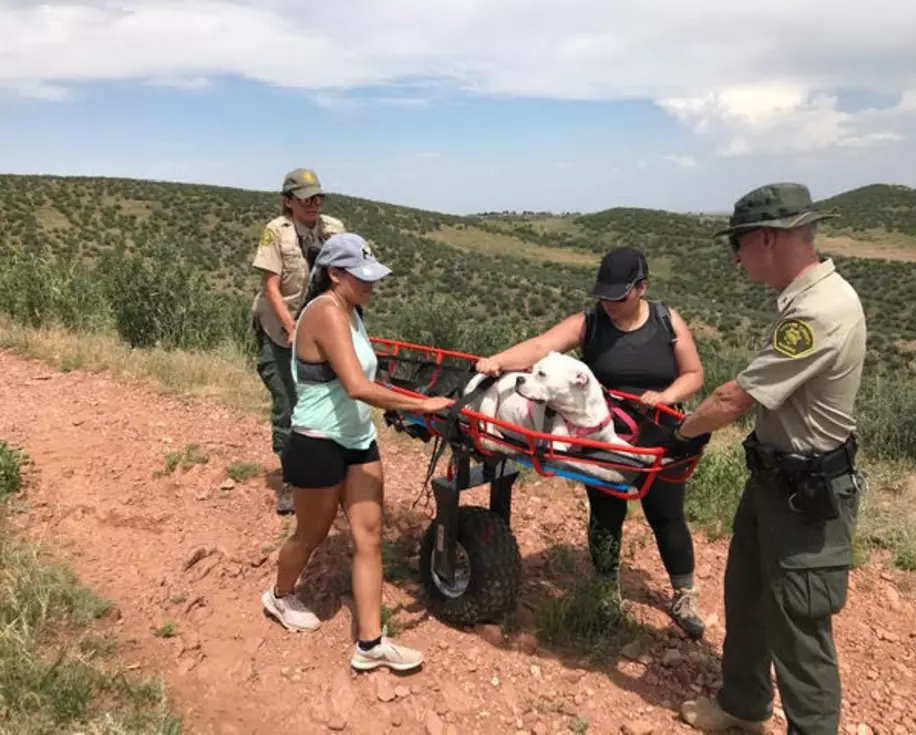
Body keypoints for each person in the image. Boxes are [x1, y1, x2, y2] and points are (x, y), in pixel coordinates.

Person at [676, 183, 867, 734]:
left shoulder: (817, 313)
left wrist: (682, 434)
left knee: (800, 629)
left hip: (804, 499)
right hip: (774, 482)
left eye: (738, 243)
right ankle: (742, 706)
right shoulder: (808, 301)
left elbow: (735, 397)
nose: (735, 256)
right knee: (749, 599)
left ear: (766, 238)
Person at [475, 245, 709, 639]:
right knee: (606, 511)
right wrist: (498, 360)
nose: (608, 303)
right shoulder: (591, 322)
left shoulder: (667, 321)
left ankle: (684, 592)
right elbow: (540, 346)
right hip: (600, 435)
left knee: (666, 515)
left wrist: (667, 397)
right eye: (603, 294)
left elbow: (694, 373)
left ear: (641, 289)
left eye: (617, 296)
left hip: (656, 437)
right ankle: (605, 589)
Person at [260, 232, 455, 671]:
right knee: (309, 535)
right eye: (362, 276)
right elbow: (357, 386)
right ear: (334, 274)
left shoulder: (351, 310)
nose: (371, 284)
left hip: (357, 440)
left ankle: (370, 644)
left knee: (368, 538)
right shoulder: (326, 311)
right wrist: (423, 404)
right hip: (317, 441)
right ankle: (278, 595)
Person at [250, 168, 347, 515]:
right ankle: (291, 478)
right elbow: (271, 287)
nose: (313, 203)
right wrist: (291, 327)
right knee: (288, 404)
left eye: (317, 196)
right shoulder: (277, 232)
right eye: (305, 197)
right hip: (280, 332)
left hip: (319, 333)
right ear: (288, 201)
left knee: (326, 401)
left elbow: (344, 279)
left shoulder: (333, 229)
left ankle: (328, 472)